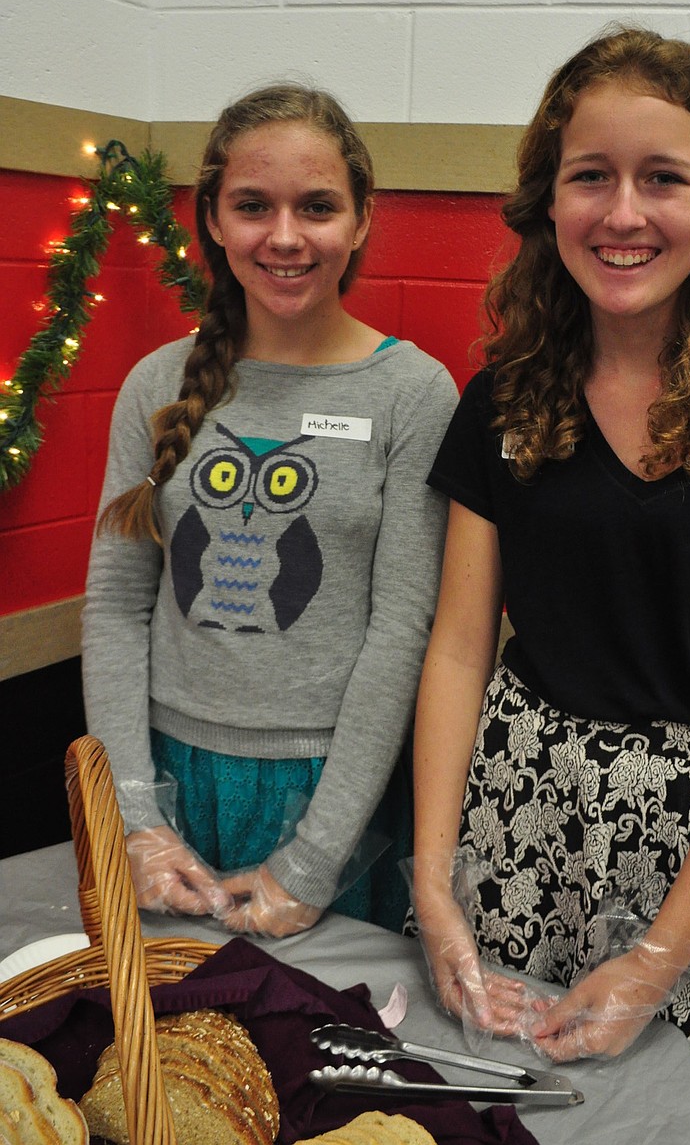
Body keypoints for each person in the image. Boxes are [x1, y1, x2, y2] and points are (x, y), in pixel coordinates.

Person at [410, 26, 690, 1144]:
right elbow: (459, 648)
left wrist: (658, 955)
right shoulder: (503, 398)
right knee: (494, 1109)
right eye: (589, 177)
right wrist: (433, 881)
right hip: (515, 814)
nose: (622, 213)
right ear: (546, 198)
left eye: (663, 178)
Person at [82, 83, 458, 939]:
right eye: (253, 205)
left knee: (321, 1012)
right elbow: (115, 605)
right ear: (214, 219)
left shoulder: (413, 392)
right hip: (168, 775)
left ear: (361, 220)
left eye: (317, 206)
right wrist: (135, 816)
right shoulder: (156, 382)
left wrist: (316, 856)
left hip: (333, 789)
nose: (285, 237)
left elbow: (402, 630)